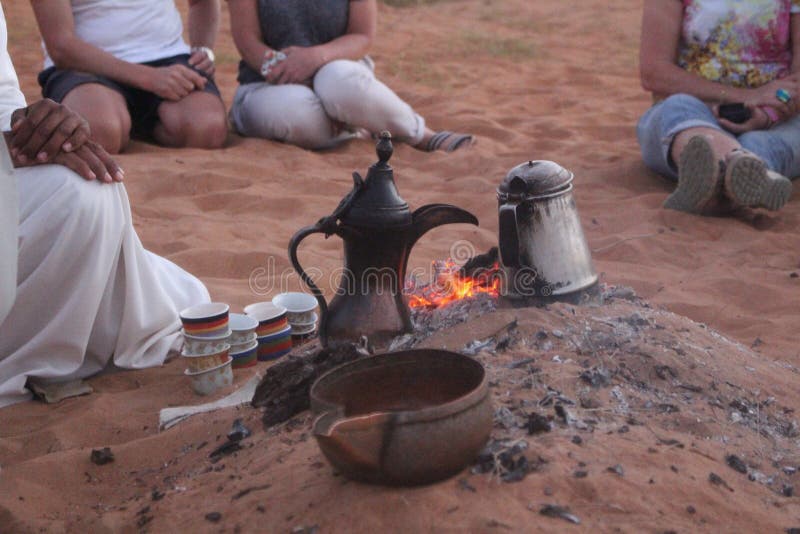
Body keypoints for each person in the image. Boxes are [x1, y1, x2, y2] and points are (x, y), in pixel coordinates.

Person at [0, 3, 210, 408]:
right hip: (91, 75)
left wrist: (33, 131)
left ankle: (53, 352)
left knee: (88, 188)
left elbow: (4, 100)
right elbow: (62, 46)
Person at [227, 0, 474, 152]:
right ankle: (355, 125)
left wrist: (315, 58)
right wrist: (290, 69)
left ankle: (419, 134)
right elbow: (248, 42)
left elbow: (363, 35)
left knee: (341, 84)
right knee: (298, 114)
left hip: (336, 70)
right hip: (268, 82)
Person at [637, 0, 798, 214]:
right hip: (694, 113)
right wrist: (746, 96)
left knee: (766, 141)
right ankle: (745, 172)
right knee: (678, 109)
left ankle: (716, 177)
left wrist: (769, 114)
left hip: (775, 121)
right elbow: (654, 73)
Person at [29, 0, 228, 154]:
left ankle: (132, 118)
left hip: (166, 56)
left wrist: (203, 50)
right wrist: (149, 78)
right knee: (99, 132)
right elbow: (62, 46)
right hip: (86, 64)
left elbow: (202, 2)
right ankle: (121, 115)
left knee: (208, 129)